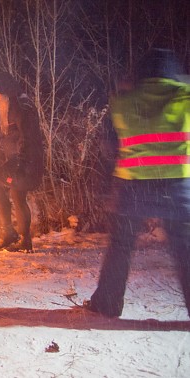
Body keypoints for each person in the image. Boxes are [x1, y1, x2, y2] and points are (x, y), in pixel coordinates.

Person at [86, 48, 190, 318]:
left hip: (133, 185)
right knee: (186, 249)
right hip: (177, 186)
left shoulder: (123, 101)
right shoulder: (185, 97)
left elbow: (109, 144)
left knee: (120, 246)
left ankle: (107, 304)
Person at [0, 71, 44, 252]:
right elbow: (10, 137)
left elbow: (28, 137)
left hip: (26, 163)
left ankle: (22, 240)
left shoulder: (22, 107)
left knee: (16, 194)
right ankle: (12, 235)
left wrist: (20, 163)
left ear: (5, 91)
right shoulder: (11, 105)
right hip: (15, 161)